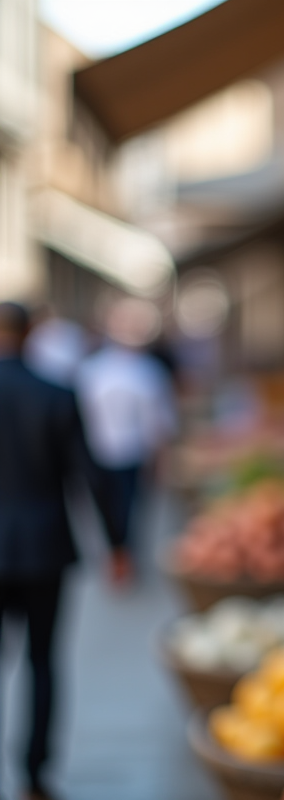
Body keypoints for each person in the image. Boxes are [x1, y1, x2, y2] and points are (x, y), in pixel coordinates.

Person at [0, 301, 129, 800]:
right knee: (43, 662)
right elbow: (89, 474)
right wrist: (117, 543)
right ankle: (35, 774)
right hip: (45, 547)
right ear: (32, 333)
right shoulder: (55, 392)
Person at [74, 297, 178, 571]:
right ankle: (116, 553)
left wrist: (161, 460)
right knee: (106, 508)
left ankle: (125, 556)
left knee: (130, 509)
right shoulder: (91, 369)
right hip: (97, 452)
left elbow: (160, 420)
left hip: (134, 453)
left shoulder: (150, 370)